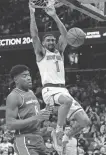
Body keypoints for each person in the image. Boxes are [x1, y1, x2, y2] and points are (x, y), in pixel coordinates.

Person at [29, 3, 90, 153]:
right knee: (67, 101)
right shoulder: (41, 54)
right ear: (43, 44)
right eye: (48, 40)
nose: (51, 42)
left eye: (52, 40)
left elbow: (65, 35)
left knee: (85, 121)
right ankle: (58, 130)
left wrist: (54, 15)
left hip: (63, 90)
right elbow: (34, 35)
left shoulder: (59, 52)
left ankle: (66, 136)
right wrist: (32, 13)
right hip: (49, 90)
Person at [6, 65, 51, 155]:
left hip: (38, 138)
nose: (29, 78)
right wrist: (36, 117)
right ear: (16, 79)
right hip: (24, 140)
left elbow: (33, 116)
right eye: (24, 76)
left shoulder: (31, 92)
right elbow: (10, 124)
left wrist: (44, 114)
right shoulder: (14, 96)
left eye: (29, 75)